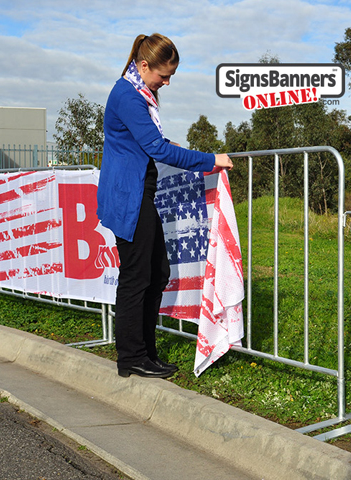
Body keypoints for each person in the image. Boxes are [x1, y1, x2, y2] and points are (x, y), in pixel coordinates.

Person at [97, 33, 233, 379]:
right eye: (163, 75)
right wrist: (209, 159)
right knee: (136, 277)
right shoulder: (128, 95)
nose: (167, 82)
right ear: (144, 66)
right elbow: (156, 149)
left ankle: (147, 353)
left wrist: (171, 145)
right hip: (129, 196)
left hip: (138, 192)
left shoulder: (138, 90)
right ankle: (131, 358)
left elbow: (148, 141)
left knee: (157, 273)